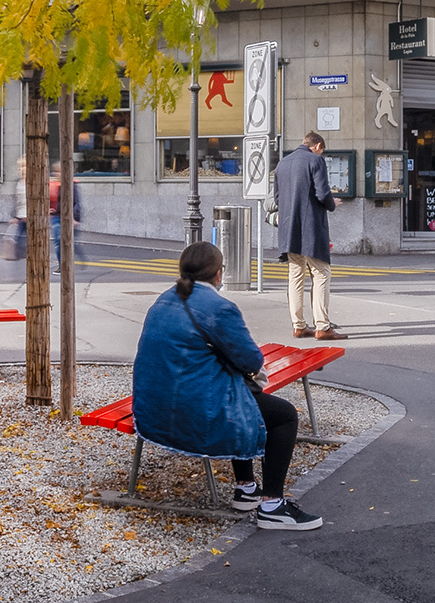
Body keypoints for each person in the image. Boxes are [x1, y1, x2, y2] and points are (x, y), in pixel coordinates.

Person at [131, 242, 321, 531]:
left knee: (238, 391)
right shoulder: (218, 307)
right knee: (284, 415)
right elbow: (251, 359)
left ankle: (246, 488)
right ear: (219, 274)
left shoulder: (164, 299)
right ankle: (272, 506)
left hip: (150, 411)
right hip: (189, 414)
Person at [274, 131, 341, 341]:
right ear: (318, 146)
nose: (321, 154)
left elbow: (277, 198)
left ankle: (299, 325)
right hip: (310, 227)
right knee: (321, 273)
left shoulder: (282, 164)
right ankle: (323, 327)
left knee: (295, 275)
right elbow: (322, 193)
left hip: (289, 229)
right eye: (322, 151)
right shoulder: (315, 161)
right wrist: (332, 204)